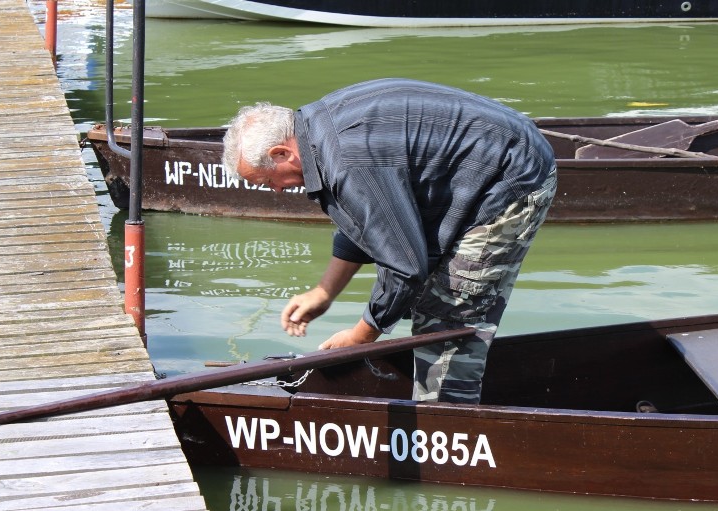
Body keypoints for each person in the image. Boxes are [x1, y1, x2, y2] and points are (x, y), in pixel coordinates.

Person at [222, 78, 557, 404]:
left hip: (511, 173)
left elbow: (404, 267)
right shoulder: (319, 132)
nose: (277, 191)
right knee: (427, 304)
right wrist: (324, 292)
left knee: (446, 315)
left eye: (268, 182)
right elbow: (369, 223)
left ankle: (445, 423)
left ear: (282, 153)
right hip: (486, 158)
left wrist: (360, 337)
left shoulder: (346, 161)